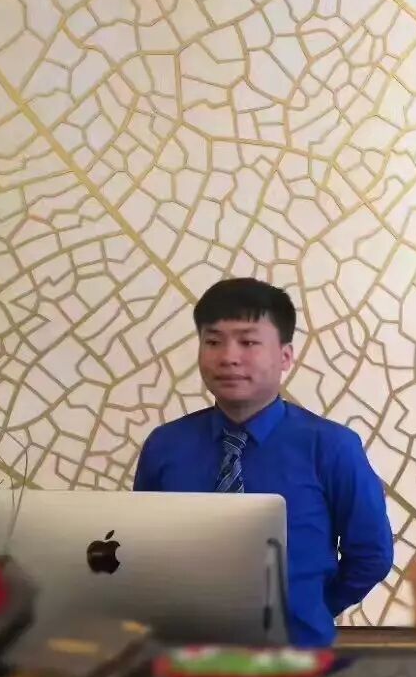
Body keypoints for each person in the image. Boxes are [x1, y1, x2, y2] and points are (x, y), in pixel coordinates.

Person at [134, 277, 394, 646]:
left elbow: (371, 555)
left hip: (296, 656)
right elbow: (142, 548)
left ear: (285, 356)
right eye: (213, 341)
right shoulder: (165, 445)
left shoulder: (332, 447)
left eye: (248, 342)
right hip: (184, 652)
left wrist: (309, 608)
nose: (228, 357)